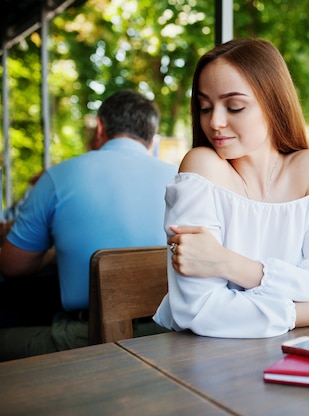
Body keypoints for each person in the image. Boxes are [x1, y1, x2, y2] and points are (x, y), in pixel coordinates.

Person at [153, 38, 309, 338]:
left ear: (273, 103)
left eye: (235, 106)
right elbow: (200, 311)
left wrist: (226, 262)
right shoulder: (202, 169)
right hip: (208, 365)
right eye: (205, 107)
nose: (215, 122)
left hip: (294, 359)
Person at [0, 90, 178, 360]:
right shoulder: (179, 178)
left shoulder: (57, 177)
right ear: (152, 137)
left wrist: (51, 256)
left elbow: (12, 266)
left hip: (87, 337)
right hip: (169, 333)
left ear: (100, 127)